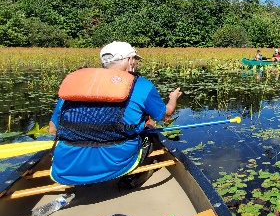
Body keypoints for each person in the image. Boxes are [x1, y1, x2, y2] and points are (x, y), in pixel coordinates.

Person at [48, 41, 182, 186]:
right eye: (136, 61)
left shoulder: (76, 86)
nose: (137, 65)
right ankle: (134, 177)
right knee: (150, 130)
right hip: (117, 165)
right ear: (130, 60)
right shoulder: (142, 85)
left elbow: (53, 129)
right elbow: (165, 115)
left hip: (67, 166)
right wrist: (173, 98)